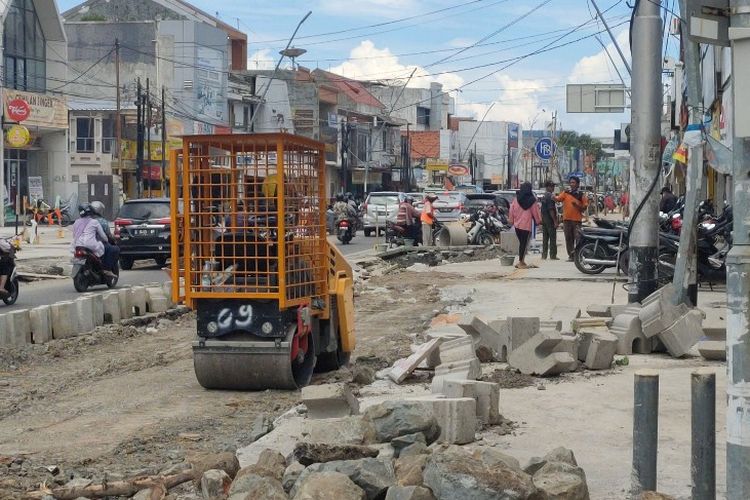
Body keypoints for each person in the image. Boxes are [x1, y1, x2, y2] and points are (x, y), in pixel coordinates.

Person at [70, 203, 117, 278]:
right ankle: (104, 269)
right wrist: (106, 240)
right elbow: (103, 236)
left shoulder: (76, 222)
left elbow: (74, 235)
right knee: (101, 250)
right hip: (90, 245)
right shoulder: (94, 222)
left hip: (77, 245)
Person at [508, 182, 542, 269]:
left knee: (522, 243)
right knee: (524, 243)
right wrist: (538, 221)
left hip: (517, 226)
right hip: (526, 226)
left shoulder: (516, 200)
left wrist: (511, 221)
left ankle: (521, 261)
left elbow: (511, 210)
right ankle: (521, 262)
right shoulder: (532, 200)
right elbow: (536, 212)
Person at [555, 176, 588, 261]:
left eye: (573, 182)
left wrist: (577, 206)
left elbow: (584, 208)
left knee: (578, 238)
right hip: (567, 220)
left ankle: (578, 255)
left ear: (577, 184)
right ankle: (571, 255)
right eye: (571, 182)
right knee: (568, 238)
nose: (572, 184)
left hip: (577, 220)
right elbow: (558, 199)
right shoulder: (566, 193)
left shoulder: (581, 195)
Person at [540, 181, 559, 260]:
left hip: (544, 218)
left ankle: (544, 255)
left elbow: (542, 209)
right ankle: (553, 255)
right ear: (547, 187)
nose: (553, 188)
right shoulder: (550, 196)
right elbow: (551, 209)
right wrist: (555, 221)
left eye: (553, 186)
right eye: (551, 186)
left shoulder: (544, 196)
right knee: (552, 237)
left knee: (545, 238)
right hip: (550, 219)